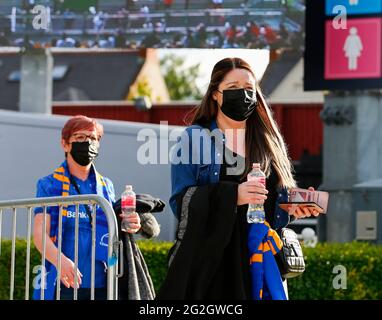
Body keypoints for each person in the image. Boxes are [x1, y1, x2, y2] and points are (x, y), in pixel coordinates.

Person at [157, 57, 322, 300]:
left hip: (260, 260)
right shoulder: (194, 138)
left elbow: (272, 206)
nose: (243, 95)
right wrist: (233, 195)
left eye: (248, 89)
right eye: (233, 88)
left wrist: (294, 205)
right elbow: (180, 204)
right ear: (215, 93)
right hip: (213, 265)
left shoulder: (268, 141)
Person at [33, 115, 156, 300]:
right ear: (65, 144)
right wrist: (61, 261)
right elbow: (39, 234)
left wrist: (132, 224)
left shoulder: (107, 185)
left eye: (93, 138)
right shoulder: (49, 184)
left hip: (104, 283)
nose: (87, 143)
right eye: (80, 137)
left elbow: (113, 229)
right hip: (65, 281)